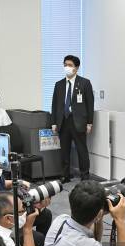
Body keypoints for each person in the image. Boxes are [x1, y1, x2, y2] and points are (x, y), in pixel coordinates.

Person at [0, 144, 53, 239]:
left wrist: (19, 182)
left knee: (46, 215)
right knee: (38, 238)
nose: (0, 165)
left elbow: (4, 183)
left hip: (12, 218)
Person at [50, 55, 94, 183]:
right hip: (63, 121)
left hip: (79, 122)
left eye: (70, 65)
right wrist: (53, 122)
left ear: (76, 67)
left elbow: (90, 104)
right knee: (64, 150)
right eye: (65, 65)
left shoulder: (85, 83)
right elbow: (54, 104)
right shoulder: (58, 85)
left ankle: (85, 175)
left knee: (82, 150)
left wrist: (89, 123)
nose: (67, 67)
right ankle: (65, 175)